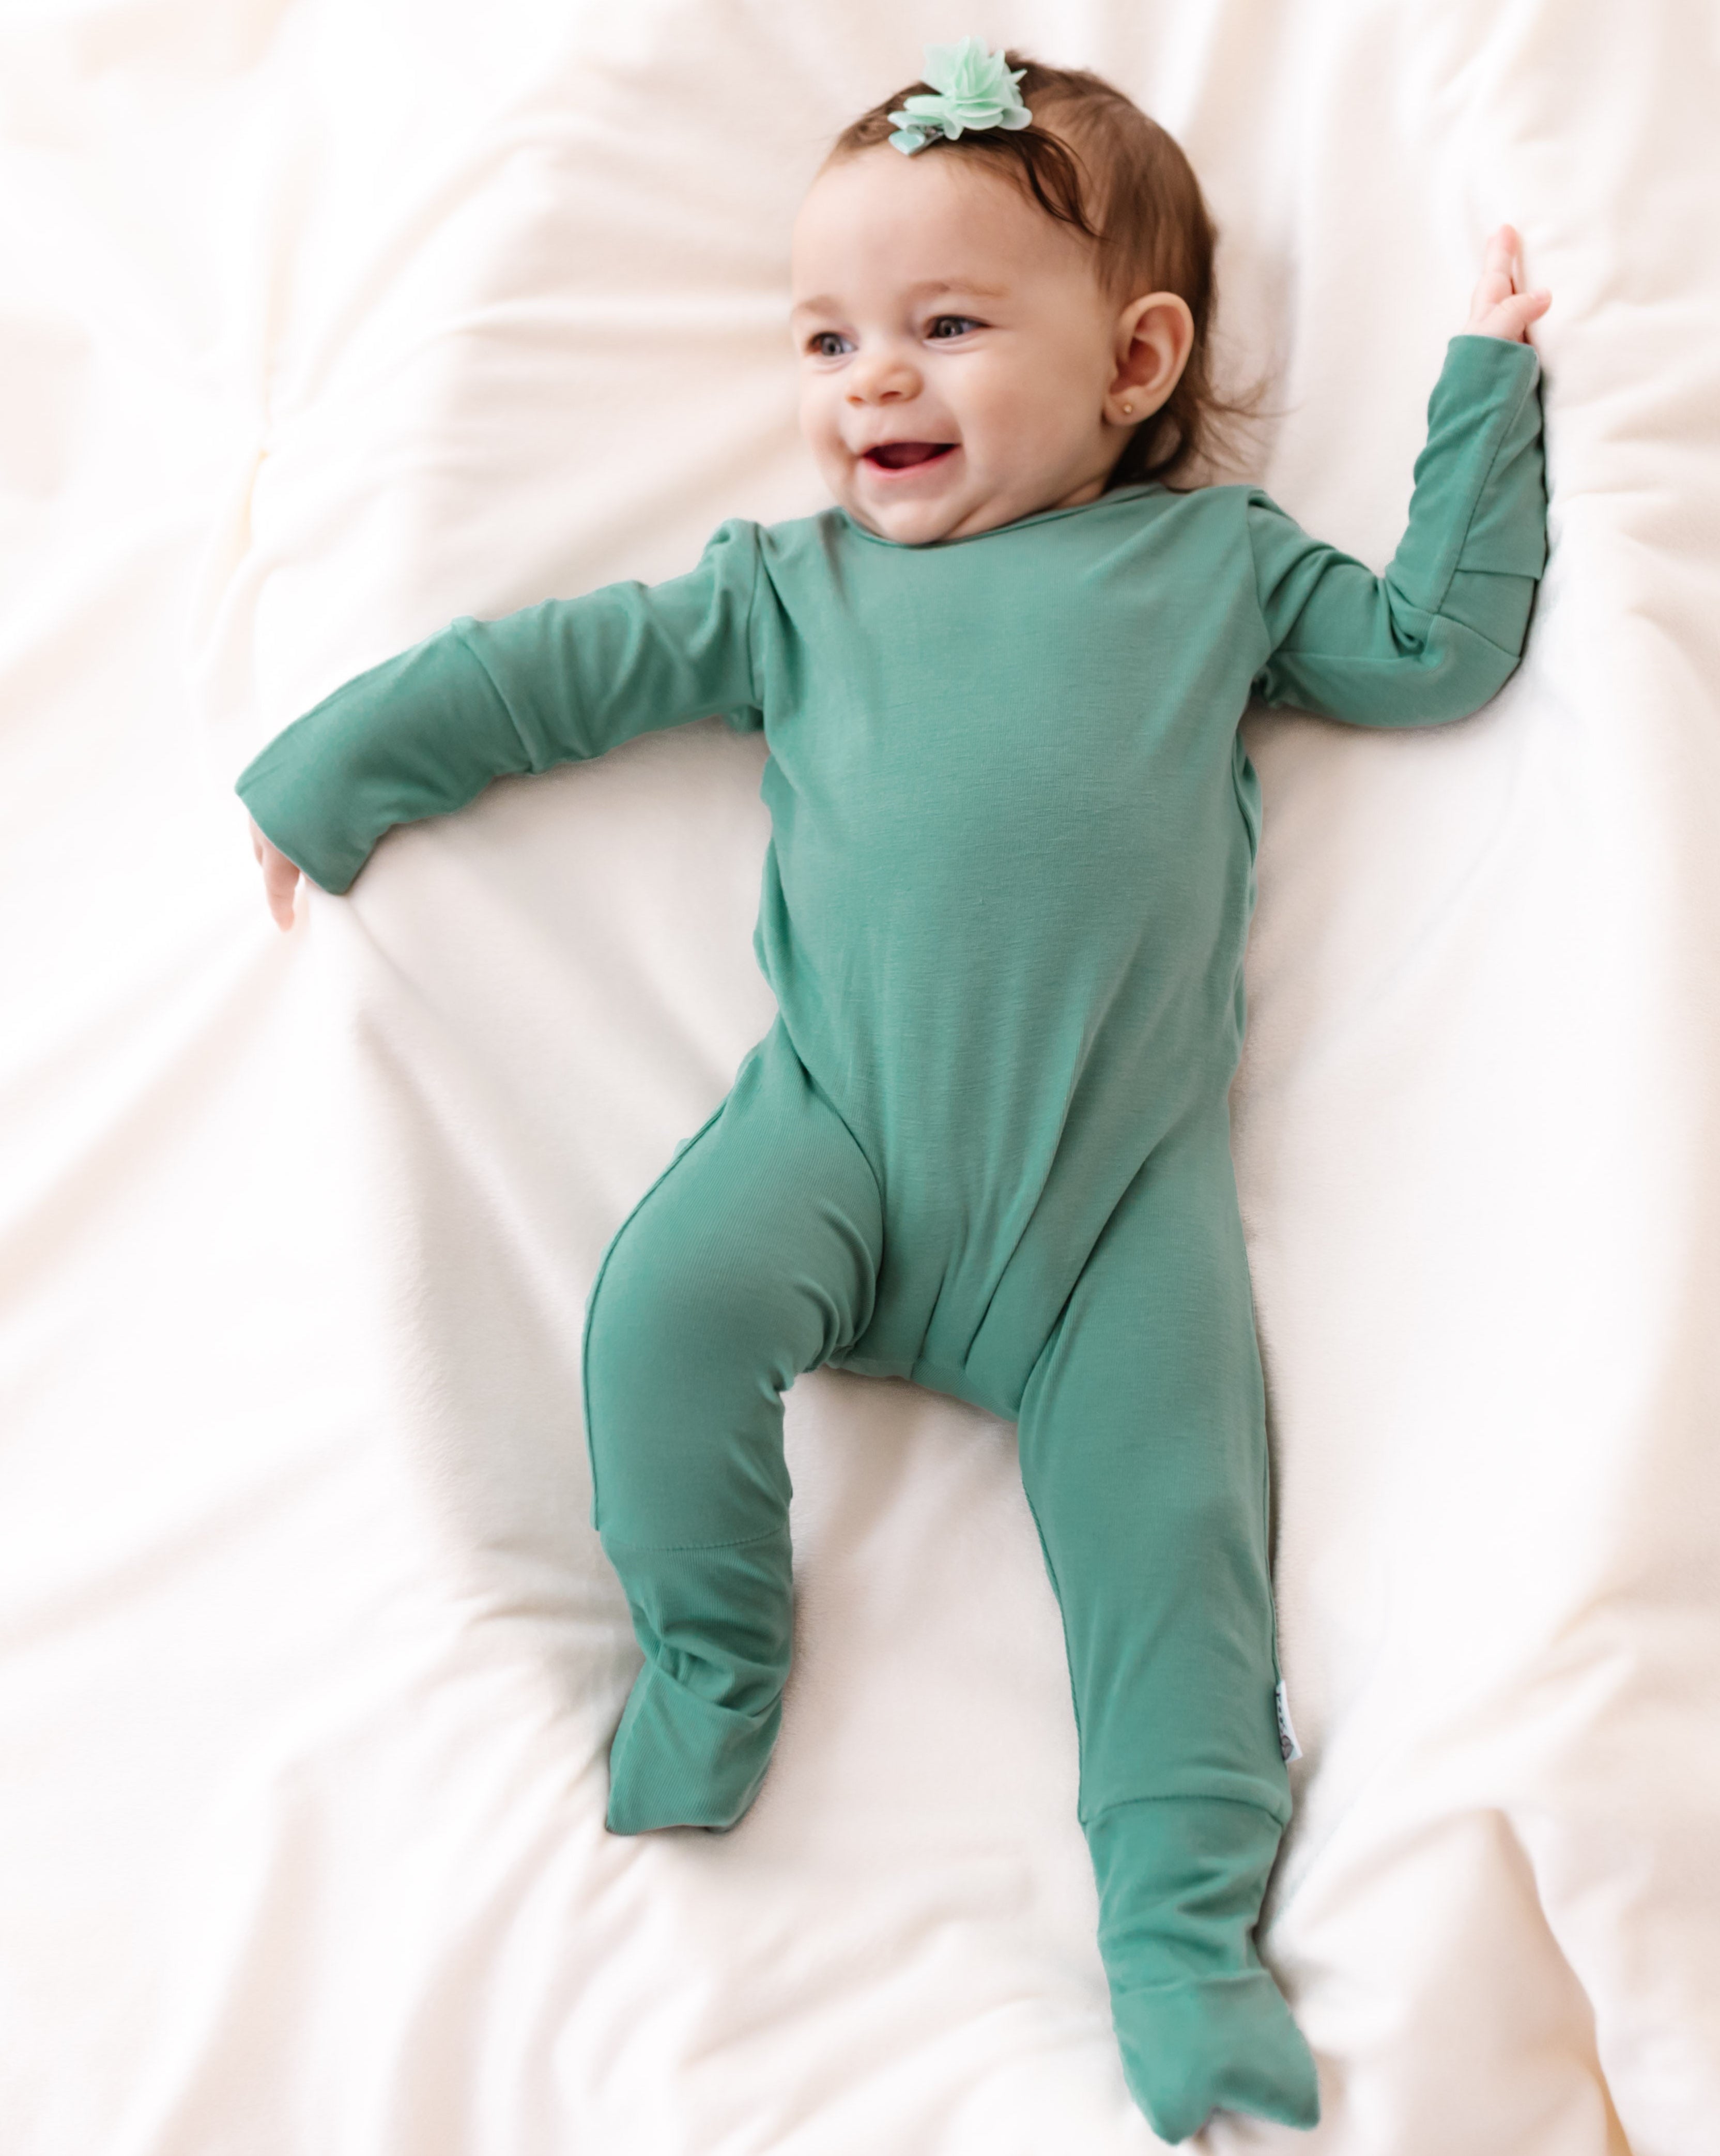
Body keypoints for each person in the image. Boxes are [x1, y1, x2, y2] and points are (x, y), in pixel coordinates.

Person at [238, 39, 1550, 2144]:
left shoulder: (1215, 567)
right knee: (661, 1313)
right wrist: (338, 764)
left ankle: (1182, 1944)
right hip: (830, 1137)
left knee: (1180, 1565)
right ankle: (712, 1650)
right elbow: (558, 669)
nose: (873, 383)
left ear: (1135, 362)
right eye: (827, 339)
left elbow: (1431, 652)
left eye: (945, 326)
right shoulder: (793, 590)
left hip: (1111, 1217)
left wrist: (1487, 392)